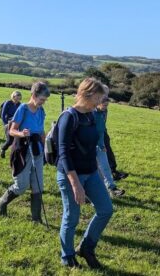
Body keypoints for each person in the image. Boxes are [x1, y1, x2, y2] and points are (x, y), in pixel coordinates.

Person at [56, 78, 113, 269]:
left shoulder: (90, 115)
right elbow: (63, 152)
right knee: (72, 217)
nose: (100, 102)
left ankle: (86, 247)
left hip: (91, 172)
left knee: (106, 209)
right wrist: (75, 184)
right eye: (98, 97)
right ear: (87, 94)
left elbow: (90, 146)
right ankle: (67, 257)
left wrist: (97, 168)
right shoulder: (69, 117)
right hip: (71, 174)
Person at [0, 82, 50, 222]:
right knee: (22, 185)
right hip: (22, 149)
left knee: (38, 185)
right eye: (42, 99)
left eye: (45, 100)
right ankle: (2, 202)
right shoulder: (23, 109)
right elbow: (12, 130)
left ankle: (36, 218)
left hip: (37, 149)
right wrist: (21, 133)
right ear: (34, 95)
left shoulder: (41, 111)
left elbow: (41, 131)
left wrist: (47, 149)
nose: (43, 103)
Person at [94, 97, 125, 197]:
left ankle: (112, 189)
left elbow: (101, 130)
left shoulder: (103, 113)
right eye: (104, 105)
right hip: (90, 146)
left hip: (100, 145)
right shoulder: (90, 113)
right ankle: (91, 192)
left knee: (105, 166)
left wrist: (102, 144)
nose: (105, 107)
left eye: (107, 105)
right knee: (94, 170)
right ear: (97, 103)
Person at [0, 91, 22, 158]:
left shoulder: (19, 105)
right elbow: (3, 115)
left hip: (16, 124)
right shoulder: (8, 103)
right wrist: (5, 124)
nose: (17, 100)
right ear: (13, 97)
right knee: (10, 140)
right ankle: (3, 148)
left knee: (17, 140)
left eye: (19, 99)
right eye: (16, 98)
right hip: (8, 123)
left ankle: (16, 155)